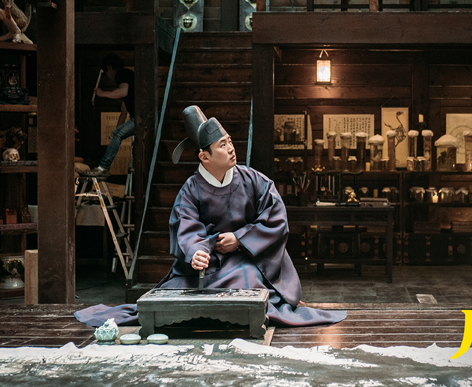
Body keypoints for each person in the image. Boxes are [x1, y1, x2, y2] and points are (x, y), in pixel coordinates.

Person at [157, 105, 346, 326]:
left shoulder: (254, 180)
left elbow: (275, 218)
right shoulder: (190, 190)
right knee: (174, 295)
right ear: (204, 157)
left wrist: (240, 238)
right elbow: (185, 225)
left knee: (247, 279)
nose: (231, 148)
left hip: (249, 256)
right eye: (222, 145)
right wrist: (196, 251)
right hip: (211, 262)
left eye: (229, 141)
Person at [80, 54, 135, 178]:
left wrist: (102, 93)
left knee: (117, 134)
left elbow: (123, 92)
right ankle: (104, 167)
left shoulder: (122, 74)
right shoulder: (128, 78)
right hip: (139, 117)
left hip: (141, 118)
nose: (107, 76)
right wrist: (116, 132)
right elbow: (124, 112)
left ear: (109, 67)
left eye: (106, 72)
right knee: (117, 133)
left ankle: (103, 167)